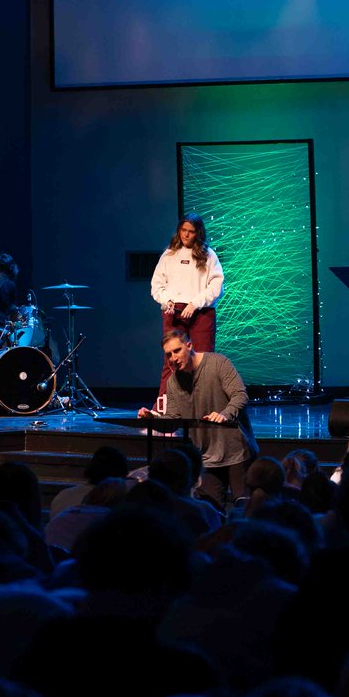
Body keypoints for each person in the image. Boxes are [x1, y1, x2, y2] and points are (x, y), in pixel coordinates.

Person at [138, 329, 258, 509]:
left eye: (177, 351)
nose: (173, 358)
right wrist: (152, 419)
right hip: (207, 456)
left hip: (236, 452)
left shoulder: (218, 363)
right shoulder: (173, 382)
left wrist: (224, 414)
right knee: (210, 510)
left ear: (189, 345)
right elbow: (172, 421)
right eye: (168, 354)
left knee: (245, 509)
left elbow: (240, 396)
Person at [150, 213, 224, 396]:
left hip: (201, 313)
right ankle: (164, 410)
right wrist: (166, 300)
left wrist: (195, 303)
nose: (186, 235)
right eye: (183, 230)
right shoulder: (169, 255)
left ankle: (203, 409)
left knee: (203, 361)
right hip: (173, 313)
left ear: (198, 233)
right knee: (172, 361)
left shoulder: (208, 255)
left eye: (191, 231)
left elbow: (217, 286)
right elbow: (156, 286)